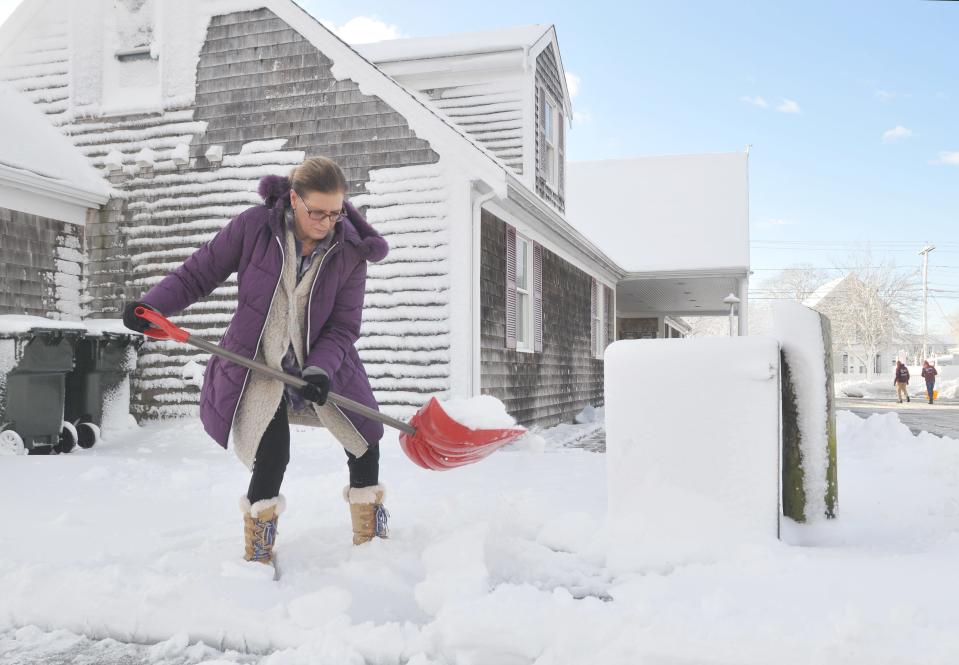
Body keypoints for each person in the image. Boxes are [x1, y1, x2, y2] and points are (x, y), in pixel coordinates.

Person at [122, 157, 390, 570]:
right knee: (273, 454)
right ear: (294, 199)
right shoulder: (254, 228)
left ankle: (373, 544)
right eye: (316, 211)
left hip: (323, 363)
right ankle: (258, 551)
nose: (326, 222)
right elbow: (198, 273)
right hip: (257, 362)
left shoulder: (349, 250)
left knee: (365, 439)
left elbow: (343, 326)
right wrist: (150, 307)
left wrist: (319, 370)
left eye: (335, 213)